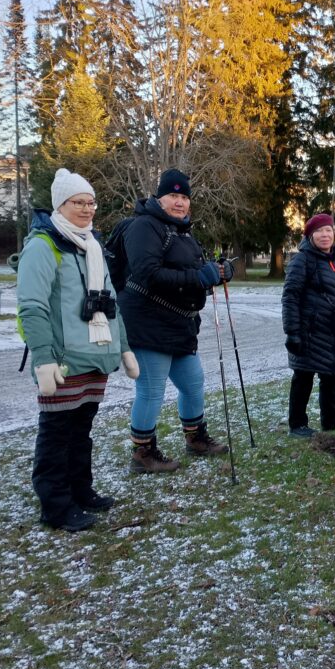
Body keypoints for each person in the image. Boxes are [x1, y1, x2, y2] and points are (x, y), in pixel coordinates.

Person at [16, 168, 139, 532]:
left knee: (81, 429)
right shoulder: (43, 246)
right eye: (78, 203)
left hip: (94, 356)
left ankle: (80, 491)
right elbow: (33, 307)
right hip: (63, 361)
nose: (87, 209)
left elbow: (111, 302)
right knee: (56, 433)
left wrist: (125, 348)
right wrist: (43, 360)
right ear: (60, 204)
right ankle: (55, 506)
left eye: (91, 203)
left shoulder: (92, 247)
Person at [117, 168, 234, 472]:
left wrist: (217, 272)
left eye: (184, 197)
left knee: (193, 383)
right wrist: (198, 276)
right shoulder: (145, 226)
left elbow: (193, 271)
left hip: (180, 324)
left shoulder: (181, 231)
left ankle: (195, 438)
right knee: (152, 390)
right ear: (159, 197)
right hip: (148, 322)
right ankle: (142, 454)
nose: (180, 202)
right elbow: (148, 274)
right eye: (173, 195)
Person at [281, 213, 335, 437]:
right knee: (303, 377)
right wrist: (292, 333)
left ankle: (330, 421)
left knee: (330, 377)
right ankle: (297, 425)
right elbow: (290, 297)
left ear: (334, 233)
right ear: (310, 236)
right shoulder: (302, 260)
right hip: (309, 331)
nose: (324, 235)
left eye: (328, 230)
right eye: (319, 231)